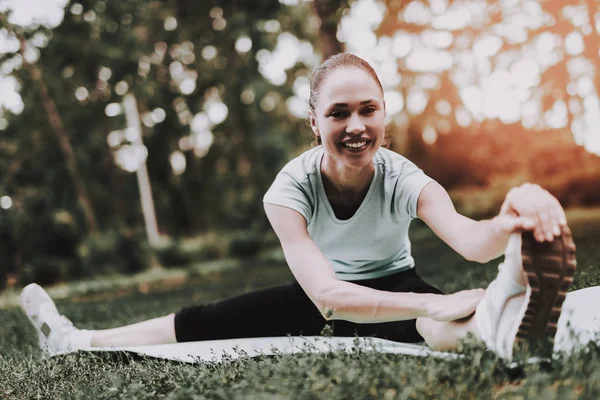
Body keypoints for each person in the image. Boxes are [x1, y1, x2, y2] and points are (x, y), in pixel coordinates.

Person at [20, 53, 576, 361]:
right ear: (315, 123)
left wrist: (512, 214)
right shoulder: (289, 189)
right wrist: (425, 305)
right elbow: (330, 299)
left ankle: (511, 328)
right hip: (321, 295)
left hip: (394, 281)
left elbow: (470, 240)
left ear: (383, 114)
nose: (356, 126)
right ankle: (74, 339)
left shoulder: (405, 175)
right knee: (202, 322)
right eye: (339, 113)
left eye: (368, 110)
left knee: (447, 325)